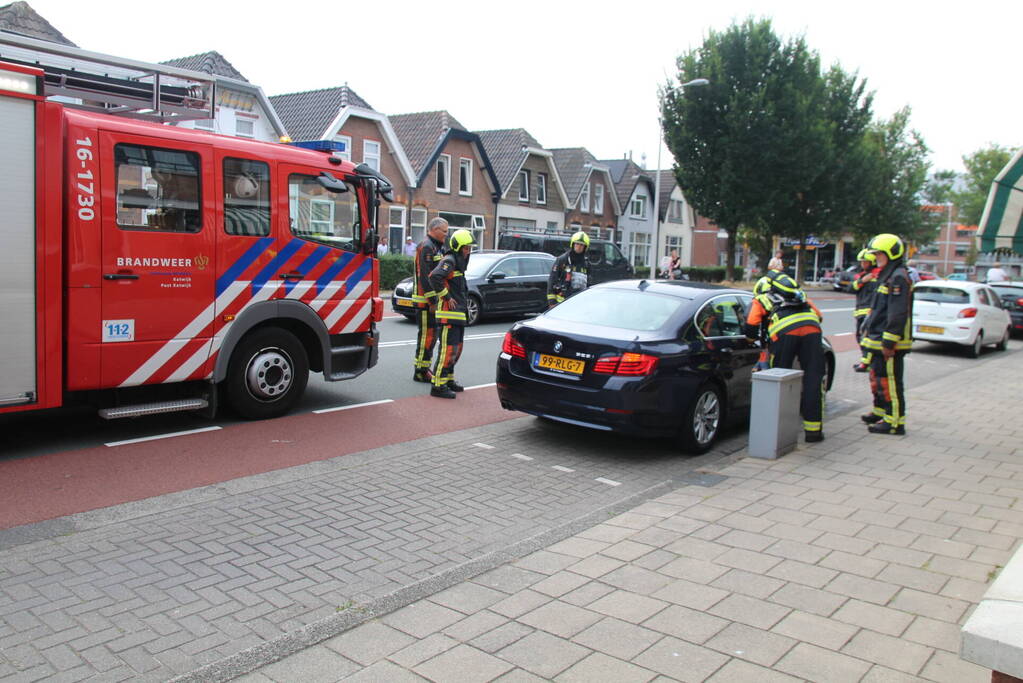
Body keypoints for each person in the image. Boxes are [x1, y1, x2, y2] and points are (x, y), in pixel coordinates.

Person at [744, 270, 826, 443]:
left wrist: (752, 338)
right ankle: (814, 431)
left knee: (779, 380)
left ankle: (776, 431)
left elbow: (751, 324)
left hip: (784, 334)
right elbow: (819, 316)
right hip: (812, 330)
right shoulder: (800, 295)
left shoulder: (761, 299)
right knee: (813, 380)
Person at [861, 233, 913, 435]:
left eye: (879, 254)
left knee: (891, 382)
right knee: (880, 379)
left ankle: (894, 423)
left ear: (891, 253)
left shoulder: (898, 276)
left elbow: (897, 313)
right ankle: (883, 413)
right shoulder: (889, 274)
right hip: (878, 339)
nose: (876, 258)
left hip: (890, 343)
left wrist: (889, 343)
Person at [428, 229, 474, 399]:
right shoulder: (449, 260)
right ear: (458, 247)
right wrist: (445, 296)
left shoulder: (459, 264)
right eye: (466, 248)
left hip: (458, 314)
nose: (468, 252)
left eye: (469, 248)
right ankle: (438, 385)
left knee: (456, 350)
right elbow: (434, 277)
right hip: (449, 315)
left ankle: (448, 380)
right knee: (447, 350)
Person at [411, 218, 448, 383]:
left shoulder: (435, 246)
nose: (446, 235)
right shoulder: (426, 246)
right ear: (434, 229)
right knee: (427, 336)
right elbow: (425, 277)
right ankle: (420, 371)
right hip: (425, 302)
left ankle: (424, 368)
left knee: (431, 336)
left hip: (431, 301)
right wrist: (432, 301)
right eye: (444, 231)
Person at [851, 249, 879, 372]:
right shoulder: (861, 276)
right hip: (860, 311)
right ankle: (866, 361)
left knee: (867, 337)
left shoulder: (878, 275)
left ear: (872, 262)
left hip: (870, 311)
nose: (863, 264)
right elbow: (851, 288)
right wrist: (862, 280)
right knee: (860, 337)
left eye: (865, 262)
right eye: (862, 262)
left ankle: (866, 363)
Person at [547, 231, 590, 307]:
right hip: (561, 303)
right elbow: (552, 280)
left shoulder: (586, 263)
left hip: (580, 303)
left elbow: (589, 283)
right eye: (577, 243)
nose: (579, 247)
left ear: (585, 247)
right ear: (573, 244)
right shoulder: (562, 260)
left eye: (582, 245)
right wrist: (552, 302)